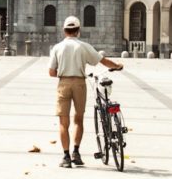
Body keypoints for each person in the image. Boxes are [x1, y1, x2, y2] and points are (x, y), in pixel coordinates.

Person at [48, 16, 123, 168]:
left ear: (64, 31)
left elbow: (51, 72)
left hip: (63, 83)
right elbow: (101, 60)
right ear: (78, 31)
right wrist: (117, 65)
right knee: (78, 119)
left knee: (63, 122)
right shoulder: (83, 46)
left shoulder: (57, 47)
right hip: (80, 84)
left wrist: (64, 73)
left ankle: (66, 156)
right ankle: (76, 152)